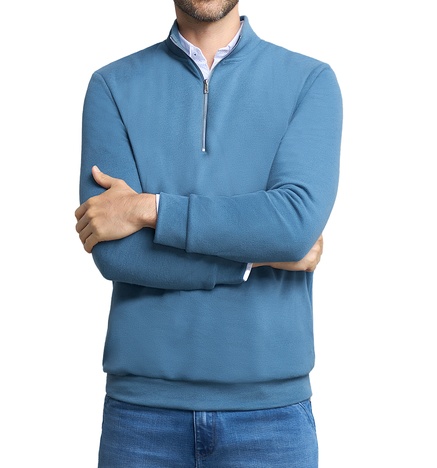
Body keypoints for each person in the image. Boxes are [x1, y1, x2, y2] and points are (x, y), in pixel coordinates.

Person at [74, 1, 342, 466]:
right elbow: (117, 254)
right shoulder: (111, 85)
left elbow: (294, 224)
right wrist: (254, 257)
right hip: (141, 418)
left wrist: (149, 209)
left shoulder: (309, 81)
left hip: (271, 420)